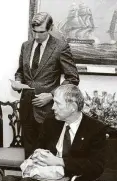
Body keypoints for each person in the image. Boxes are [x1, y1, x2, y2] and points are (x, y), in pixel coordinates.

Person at [0, 84, 107, 181]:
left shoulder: (95, 129)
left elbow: (96, 166)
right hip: (44, 175)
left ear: (72, 107)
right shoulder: (51, 122)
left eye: (57, 103)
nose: (53, 107)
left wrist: (59, 161)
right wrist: (37, 156)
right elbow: (39, 146)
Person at [11, 12, 79, 158]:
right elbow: (20, 72)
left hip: (49, 111)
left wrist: (51, 95)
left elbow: (73, 78)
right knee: (29, 154)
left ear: (50, 28)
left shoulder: (61, 47)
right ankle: (28, 179)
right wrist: (17, 82)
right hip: (27, 108)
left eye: (41, 32)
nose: (36, 36)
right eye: (33, 31)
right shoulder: (26, 46)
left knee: (47, 154)